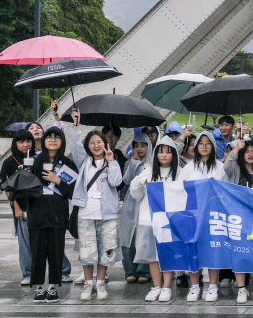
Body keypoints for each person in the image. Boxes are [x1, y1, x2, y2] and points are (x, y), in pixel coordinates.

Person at [26, 125, 78, 302]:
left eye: (57, 137)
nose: (53, 139)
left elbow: (73, 192)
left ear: (62, 141)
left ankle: (53, 286)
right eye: (49, 136)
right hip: (37, 215)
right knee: (37, 252)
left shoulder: (68, 163)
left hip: (57, 215)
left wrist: (58, 180)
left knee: (56, 252)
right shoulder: (33, 162)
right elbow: (24, 191)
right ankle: (39, 287)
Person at [71, 129, 123, 301]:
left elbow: (116, 182)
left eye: (99, 142)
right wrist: (75, 128)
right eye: (92, 142)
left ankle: (100, 283)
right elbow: (75, 146)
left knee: (105, 250)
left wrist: (111, 161)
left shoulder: (111, 162)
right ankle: (88, 283)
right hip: (86, 213)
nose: (96, 145)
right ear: (88, 146)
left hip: (107, 215)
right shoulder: (84, 162)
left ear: (105, 144)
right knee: (87, 252)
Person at [131, 135, 180, 302]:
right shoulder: (149, 171)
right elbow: (136, 194)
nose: (164, 155)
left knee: (167, 255)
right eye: (161, 152)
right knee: (152, 256)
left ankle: (166, 287)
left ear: (174, 154)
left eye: (168, 152)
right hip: (148, 220)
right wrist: (139, 182)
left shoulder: (179, 173)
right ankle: (156, 287)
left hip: (169, 222)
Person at [182, 131, 227, 300]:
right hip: (193, 215)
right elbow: (179, 189)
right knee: (193, 249)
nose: (204, 146)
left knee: (213, 249)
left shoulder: (220, 166)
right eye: (201, 143)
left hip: (213, 215)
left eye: (208, 143)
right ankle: (194, 286)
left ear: (213, 146)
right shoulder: (188, 167)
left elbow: (226, 189)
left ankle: (213, 285)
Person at [222, 139, 253, 303]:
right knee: (239, 253)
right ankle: (242, 289)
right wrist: (235, 150)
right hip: (237, 219)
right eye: (247, 151)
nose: (250, 154)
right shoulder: (236, 170)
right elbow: (226, 167)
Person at [2, 129, 39, 285]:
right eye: (21, 141)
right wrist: (16, 207)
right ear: (15, 143)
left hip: (38, 205)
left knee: (40, 241)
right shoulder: (10, 162)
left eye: (28, 141)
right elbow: (7, 188)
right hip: (22, 208)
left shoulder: (38, 159)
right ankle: (28, 273)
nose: (26, 144)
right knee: (25, 243)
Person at [119, 135, 151, 284]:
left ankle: (144, 270)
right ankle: (130, 270)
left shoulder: (152, 163)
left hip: (146, 202)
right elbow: (127, 180)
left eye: (143, 145)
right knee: (128, 237)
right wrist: (134, 163)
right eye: (136, 145)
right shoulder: (129, 162)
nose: (139, 149)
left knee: (144, 235)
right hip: (131, 203)